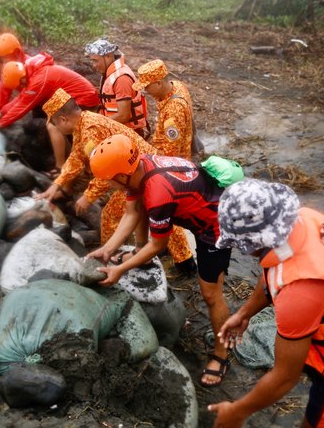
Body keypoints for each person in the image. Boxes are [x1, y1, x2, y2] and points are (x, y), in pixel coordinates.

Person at [208, 178, 324, 427]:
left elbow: (284, 377)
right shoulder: (307, 218)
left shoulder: (300, 296)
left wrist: (237, 411)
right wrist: (246, 312)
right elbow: (277, 269)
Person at [86, 133, 232, 387]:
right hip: (200, 204)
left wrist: (120, 269)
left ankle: (222, 354)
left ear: (121, 176)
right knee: (141, 208)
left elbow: (159, 244)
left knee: (211, 294)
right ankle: (136, 254)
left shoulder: (158, 191)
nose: (109, 186)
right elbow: (132, 211)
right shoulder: (139, 166)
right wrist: (108, 249)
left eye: (109, 182)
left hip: (215, 226)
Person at [35, 89, 193, 272]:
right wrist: (58, 183)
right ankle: (161, 256)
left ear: (63, 120)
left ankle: (108, 258)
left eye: (54, 124)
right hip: (138, 169)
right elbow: (77, 157)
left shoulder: (90, 131)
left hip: (139, 172)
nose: (56, 129)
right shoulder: (84, 121)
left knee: (115, 215)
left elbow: (106, 171)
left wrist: (88, 196)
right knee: (155, 212)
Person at [0, 53, 99, 171]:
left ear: (21, 79)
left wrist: (1, 123)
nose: (20, 88)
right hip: (72, 98)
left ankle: (61, 165)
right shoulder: (30, 71)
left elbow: (23, 106)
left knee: (53, 126)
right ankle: (70, 157)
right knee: (49, 117)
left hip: (84, 100)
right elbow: (22, 98)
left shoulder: (38, 80)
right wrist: (1, 112)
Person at [132, 58, 199, 269]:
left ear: (159, 82)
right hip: (177, 159)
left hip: (169, 167)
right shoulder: (177, 87)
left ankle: (184, 260)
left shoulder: (173, 112)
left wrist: (151, 170)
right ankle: (175, 253)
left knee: (165, 209)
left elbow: (169, 152)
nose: (145, 92)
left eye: (147, 87)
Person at [84, 39, 149, 139]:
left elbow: (123, 115)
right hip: (116, 130)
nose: (94, 65)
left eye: (95, 60)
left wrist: (98, 123)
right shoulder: (109, 74)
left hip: (127, 135)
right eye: (92, 61)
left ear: (108, 56)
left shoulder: (121, 79)